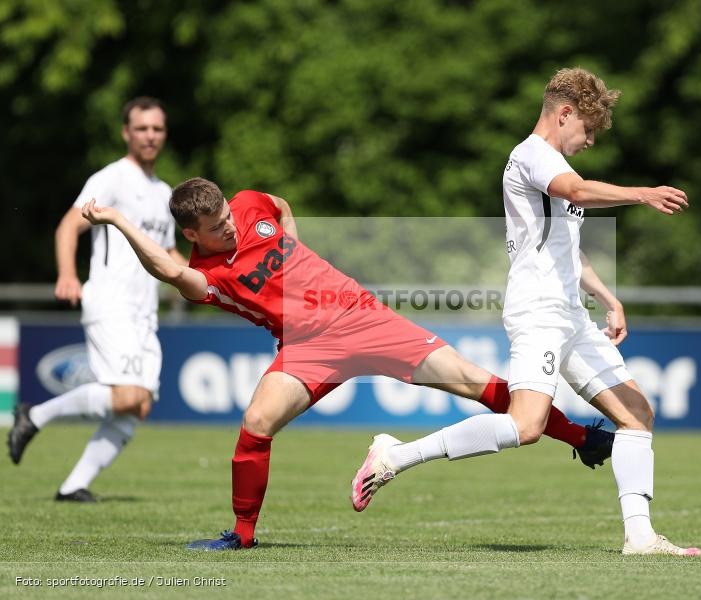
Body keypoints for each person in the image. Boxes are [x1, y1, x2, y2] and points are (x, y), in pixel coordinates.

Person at [78, 176, 613, 550]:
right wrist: (118, 220)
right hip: (309, 350)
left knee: (476, 383)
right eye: (217, 229)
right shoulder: (206, 274)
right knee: (256, 424)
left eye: (227, 218)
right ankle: (241, 534)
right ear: (191, 235)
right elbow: (167, 273)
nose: (232, 230)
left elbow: (276, 202)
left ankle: (581, 439)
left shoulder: (246, 206)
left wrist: (292, 238)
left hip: (360, 316)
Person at [351, 67, 701, 557]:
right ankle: (395, 455)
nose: (590, 142)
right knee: (526, 426)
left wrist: (609, 297)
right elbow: (577, 193)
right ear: (564, 114)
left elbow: (568, 251)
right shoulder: (531, 155)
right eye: (588, 130)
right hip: (537, 311)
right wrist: (642, 193)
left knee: (638, 413)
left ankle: (640, 537)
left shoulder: (557, 167)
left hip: (572, 316)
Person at [6, 97, 183, 503]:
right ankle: (35, 416)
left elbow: (167, 254)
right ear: (126, 132)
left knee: (136, 408)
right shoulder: (111, 179)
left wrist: (205, 282)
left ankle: (72, 487)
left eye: (157, 128)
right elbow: (68, 226)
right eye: (142, 128)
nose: (150, 135)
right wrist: (68, 274)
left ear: (164, 134)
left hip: (144, 311)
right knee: (126, 396)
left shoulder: (164, 194)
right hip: (110, 300)